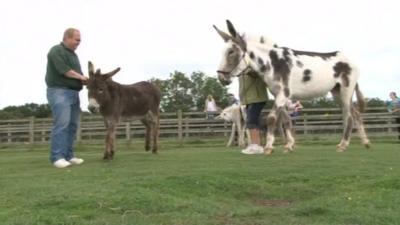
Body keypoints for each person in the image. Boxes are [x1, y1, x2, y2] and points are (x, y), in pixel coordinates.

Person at [45, 28, 88, 168]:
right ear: (67, 38)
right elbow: (65, 71)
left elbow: (77, 73)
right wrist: (81, 77)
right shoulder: (56, 51)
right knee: (62, 124)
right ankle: (57, 157)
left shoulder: (73, 55)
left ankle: (69, 155)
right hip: (59, 91)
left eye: (79, 40)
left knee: (72, 126)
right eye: (77, 39)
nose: (79, 42)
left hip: (73, 93)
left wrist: (87, 80)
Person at [239, 71, 268, 154]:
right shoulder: (241, 69)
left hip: (257, 98)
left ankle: (255, 146)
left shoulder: (252, 65)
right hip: (248, 99)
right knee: (255, 121)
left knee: (251, 121)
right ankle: (257, 145)